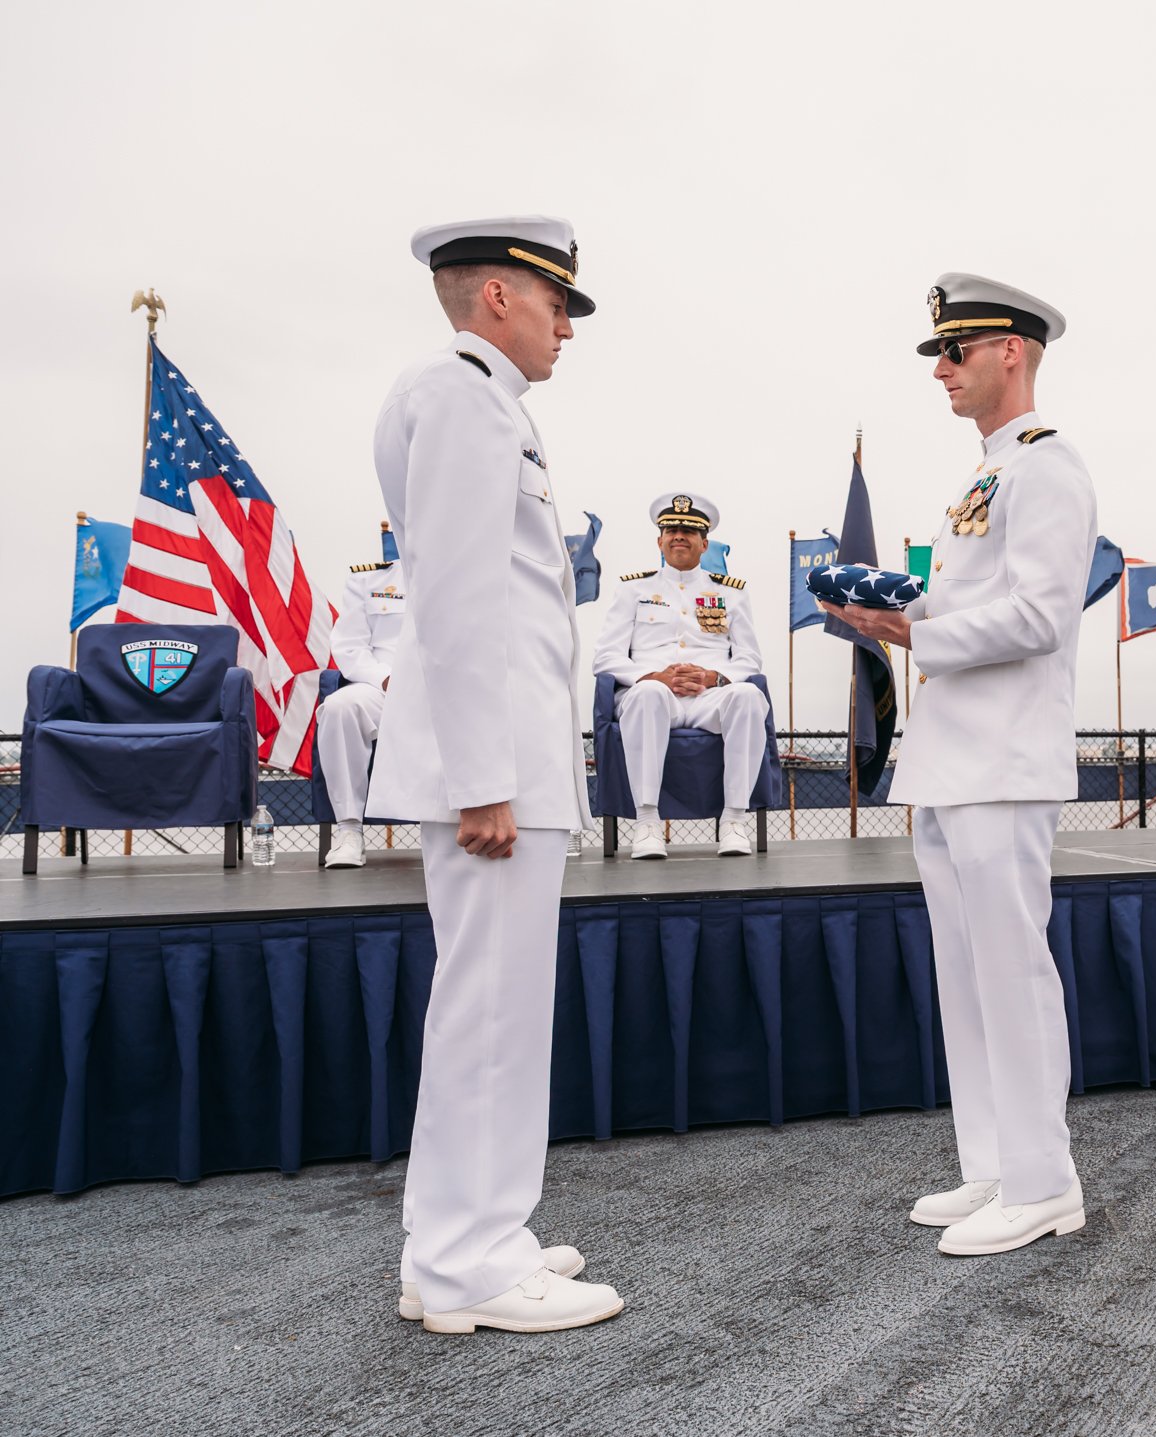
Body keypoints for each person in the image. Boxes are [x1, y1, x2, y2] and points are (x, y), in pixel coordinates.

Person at [366, 215, 621, 1334]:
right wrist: (482, 777)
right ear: (499, 299)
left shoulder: (475, 401)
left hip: (506, 758)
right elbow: (464, 596)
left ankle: (468, 1239)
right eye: (556, 300)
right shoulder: (463, 399)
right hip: (493, 766)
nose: (567, 324)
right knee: (490, 1013)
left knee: (499, 1009)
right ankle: (469, 1266)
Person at [823, 273, 1097, 1256]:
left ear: (1011, 352)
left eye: (957, 350)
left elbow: (1039, 614)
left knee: (1010, 973)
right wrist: (899, 619)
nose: (941, 368)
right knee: (967, 976)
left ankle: (1043, 1180)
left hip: (1003, 761)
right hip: (952, 761)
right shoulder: (986, 476)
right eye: (939, 353)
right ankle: (992, 1165)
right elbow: (978, 604)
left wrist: (917, 631)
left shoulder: (1046, 467)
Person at [592, 493, 768, 859]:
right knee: (646, 695)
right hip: (655, 695)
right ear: (659, 540)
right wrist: (653, 676)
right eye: (671, 529)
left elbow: (750, 658)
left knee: (750, 696)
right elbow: (605, 658)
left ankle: (734, 819)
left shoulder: (730, 593)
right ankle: (647, 822)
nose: (679, 536)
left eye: (689, 530)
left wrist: (713, 676)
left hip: (709, 698)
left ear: (705, 543)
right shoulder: (632, 589)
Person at [318, 550, 405, 869]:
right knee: (339, 708)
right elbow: (350, 646)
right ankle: (349, 831)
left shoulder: (466, 573)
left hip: (452, 690)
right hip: (386, 688)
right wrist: (385, 680)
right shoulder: (370, 578)